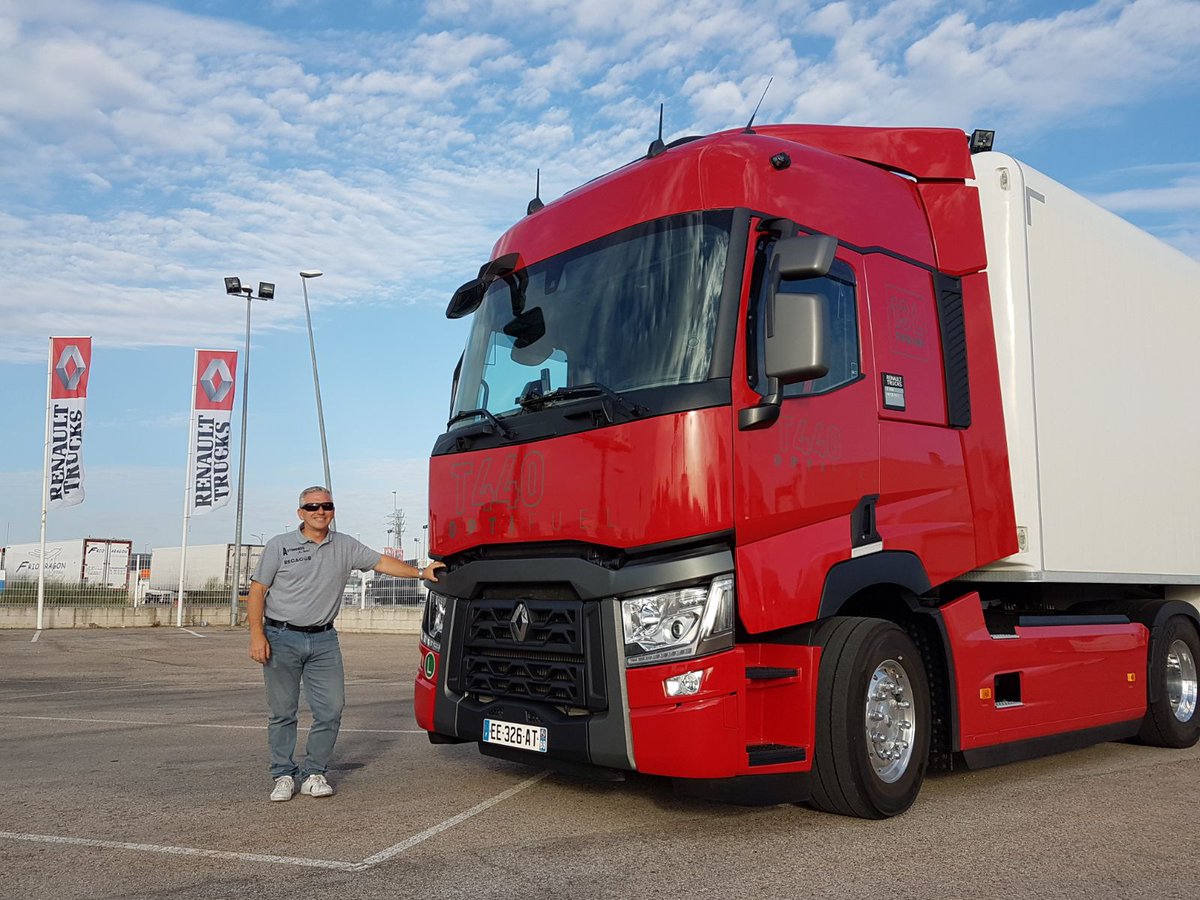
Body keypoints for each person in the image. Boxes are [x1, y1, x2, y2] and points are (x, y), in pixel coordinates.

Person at [247, 486, 444, 802]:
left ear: (332, 510)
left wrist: (421, 572)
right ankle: (283, 774)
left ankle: (314, 773)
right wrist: (257, 635)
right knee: (283, 712)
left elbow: (382, 563)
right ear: (301, 513)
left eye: (326, 505)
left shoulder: (345, 546)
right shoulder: (279, 546)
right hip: (281, 637)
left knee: (331, 709)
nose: (319, 511)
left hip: (324, 640)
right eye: (312, 506)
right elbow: (257, 591)